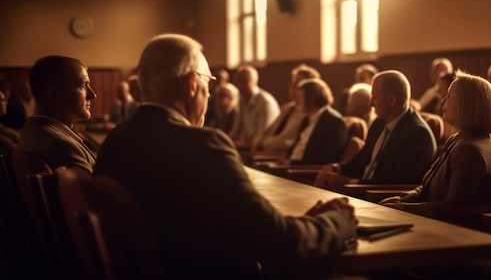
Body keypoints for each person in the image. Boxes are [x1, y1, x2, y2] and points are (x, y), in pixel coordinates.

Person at [94, 34, 357, 279]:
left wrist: (298, 222)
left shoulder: (115, 142)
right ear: (191, 85)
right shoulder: (203, 145)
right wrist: (337, 221)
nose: (209, 94)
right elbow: (281, 244)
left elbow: (213, 221)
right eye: (208, 84)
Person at [379, 71, 491, 208]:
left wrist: (405, 208)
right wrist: (405, 198)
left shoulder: (470, 150)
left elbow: (452, 208)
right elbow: (430, 186)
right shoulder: (459, 140)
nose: (443, 100)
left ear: (468, 103)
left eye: (450, 95)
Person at [315, 70, 436, 188]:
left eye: (374, 98)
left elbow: (398, 182)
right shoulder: (379, 123)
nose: (371, 104)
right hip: (360, 193)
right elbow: (361, 160)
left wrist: (350, 182)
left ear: (391, 101)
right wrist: (336, 168)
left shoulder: (418, 134)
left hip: (381, 200)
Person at [16, 55, 97, 174]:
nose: (93, 95)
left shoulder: (34, 131)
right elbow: (92, 192)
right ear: (54, 94)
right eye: (83, 85)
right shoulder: (62, 147)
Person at [252, 64, 319, 153]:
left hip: (281, 157)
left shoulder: (307, 113)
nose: (291, 87)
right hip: (266, 153)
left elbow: (285, 141)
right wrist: (258, 140)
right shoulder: (287, 108)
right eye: (292, 83)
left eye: (296, 84)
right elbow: (267, 130)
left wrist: (263, 143)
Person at [287, 78, 348, 164]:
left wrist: (293, 165)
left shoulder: (334, 121)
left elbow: (330, 159)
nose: (297, 101)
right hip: (289, 166)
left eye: (300, 97)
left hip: (301, 172)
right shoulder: (307, 119)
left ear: (312, 98)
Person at [230, 65, 280, 149]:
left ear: (255, 81)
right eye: (238, 81)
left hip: (262, 148)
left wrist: (240, 143)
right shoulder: (242, 101)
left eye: (244, 81)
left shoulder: (265, 102)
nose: (240, 85)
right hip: (245, 146)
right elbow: (236, 130)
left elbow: (263, 136)